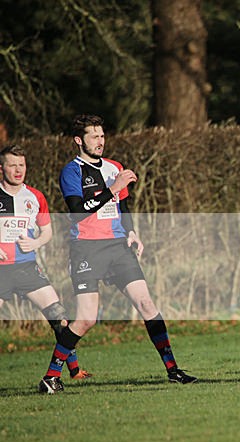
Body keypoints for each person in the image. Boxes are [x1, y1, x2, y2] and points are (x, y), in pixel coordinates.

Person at [37, 114, 196, 394]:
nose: (100, 141)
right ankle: (51, 376)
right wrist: (113, 188)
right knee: (86, 319)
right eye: (93, 136)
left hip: (118, 248)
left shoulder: (114, 167)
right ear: (79, 140)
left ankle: (173, 370)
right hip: (86, 248)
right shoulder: (71, 172)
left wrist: (132, 232)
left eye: (102, 135)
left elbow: (123, 208)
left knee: (147, 305)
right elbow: (77, 212)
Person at [0, 144, 91, 380]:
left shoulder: (35, 196)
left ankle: (74, 369)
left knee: (58, 315)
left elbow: (47, 232)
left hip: (27, 268)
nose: (18, 170)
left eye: (22, 165)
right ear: (2, 168)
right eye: (12, 165)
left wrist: (36, 243)